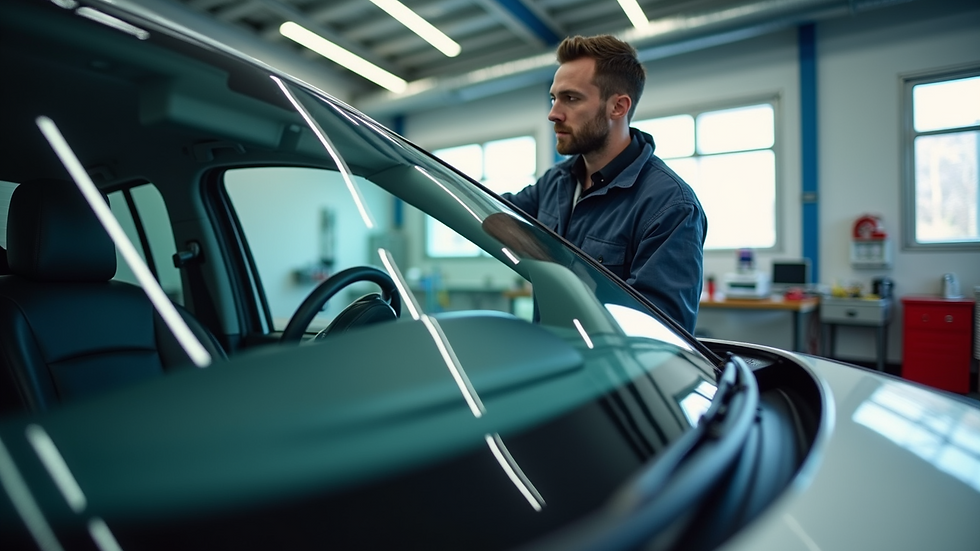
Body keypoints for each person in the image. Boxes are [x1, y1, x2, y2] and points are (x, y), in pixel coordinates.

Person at [502, 34, 707, 333]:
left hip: (610, 376)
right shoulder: (555, 182)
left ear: (618, 107)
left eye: (571, 99)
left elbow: (660, 334)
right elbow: (490, 211)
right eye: (553, 98)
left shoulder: (670, 206)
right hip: (550, 362)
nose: (553, 114)